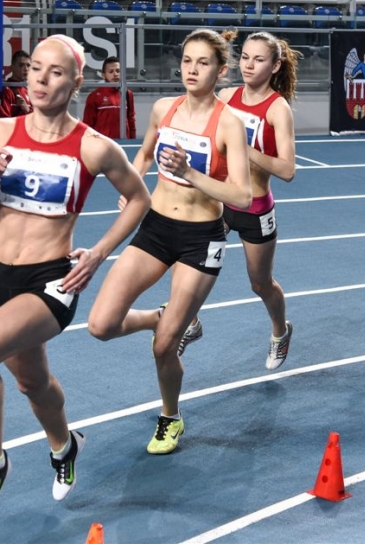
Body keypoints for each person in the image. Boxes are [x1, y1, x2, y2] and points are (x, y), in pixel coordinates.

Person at [0, 34, 150, 521]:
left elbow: (140, 199)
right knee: (32, 382)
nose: (40, 79)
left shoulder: (94, 147)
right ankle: (65, 446)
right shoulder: (0, 131)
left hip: (52, 281)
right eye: (35, 68)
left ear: (76, 82)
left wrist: (99, 253)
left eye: (55, 72)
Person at [87, 28, 251, 454]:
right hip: (156, 228)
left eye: (203, 63)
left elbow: (242, 195)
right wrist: (133, 184)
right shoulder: (164, 108)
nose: (192, 70)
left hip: (201, 240)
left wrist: (190, 173)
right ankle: (159, 317)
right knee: (100, 325)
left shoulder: (229, 124)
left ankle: (170, 416)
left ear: (221, 71)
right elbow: (144, 153)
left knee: (164, 348)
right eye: (187, 61)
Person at [181, 31, 301, 370]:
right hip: (219, 201)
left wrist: (243, 148)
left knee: (260, 283)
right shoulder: (227, 95)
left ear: (275, 66)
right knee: (188, 261)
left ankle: (280, 331)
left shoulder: (278, 109)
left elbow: (288, 170)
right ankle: (190, 323)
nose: (248, 65)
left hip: (254, 208)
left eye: (258, 59)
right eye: (245, 57)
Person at [82, 56, 136, 139]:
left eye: (118, 71)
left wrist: (132, 141)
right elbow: (88, 125)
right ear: (104, 75)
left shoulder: (128, 94)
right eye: (111, 71)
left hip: (124, 143)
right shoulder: (94, 96)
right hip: (102, 143)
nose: (115, 74)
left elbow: (131, 121)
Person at [0, 50, 32, 118]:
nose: (26, 69)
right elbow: (3, 120)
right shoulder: (5, 91)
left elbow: (38, 120)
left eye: (28, 65)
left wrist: (27, 110)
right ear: (12, 68)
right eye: (21, 65)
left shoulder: (28, 91)